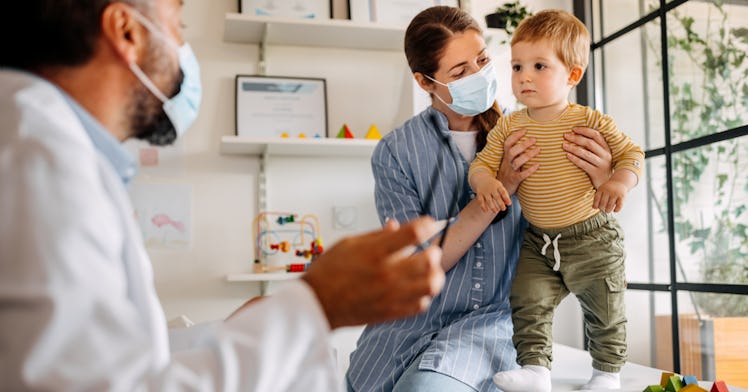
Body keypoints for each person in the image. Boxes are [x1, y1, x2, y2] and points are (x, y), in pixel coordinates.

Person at [0, 1, 447, 390]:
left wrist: (246, 327)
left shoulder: (45, 147)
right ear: (127, 31)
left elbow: (112, 361)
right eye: (178, 25)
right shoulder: (38, 161)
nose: (181, 51)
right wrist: (316, 303)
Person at [346, 6, 616, 392]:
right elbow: (420, 266)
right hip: (399, 332)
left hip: (488, 326)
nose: (478, 75)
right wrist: (500, 188)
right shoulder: (396, 152)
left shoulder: (532, 136)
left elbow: (578, 239)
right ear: (426, 82)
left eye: (483, 60)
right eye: (459, 72)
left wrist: (602, 179)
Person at [468, 10, 645, 392]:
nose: (524, 76)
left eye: (538, 66)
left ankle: (606, 374)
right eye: (517, 66)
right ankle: (535, 370)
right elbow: (481, 164)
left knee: (605, 311)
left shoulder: (591, 121)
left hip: (592, 237)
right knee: (527, 299)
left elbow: (633, 155)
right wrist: (486, 182)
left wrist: (620, 183)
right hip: (540, 240)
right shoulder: (510, 124)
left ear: (573, 75)